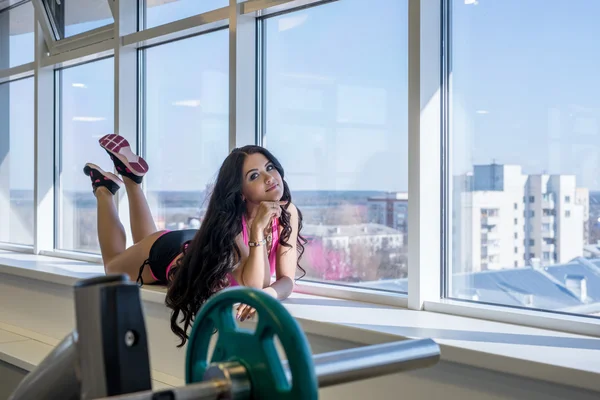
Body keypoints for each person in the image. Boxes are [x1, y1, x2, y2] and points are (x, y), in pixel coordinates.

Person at [85, 135, 306, 347]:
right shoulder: (234, 226)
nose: (269, 177)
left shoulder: (288, 213)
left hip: (191, 245)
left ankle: (132, 179)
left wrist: (269, 295)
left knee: (145, 242)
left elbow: (285, 280)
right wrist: (257, 229)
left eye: (269, 167)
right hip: (171, 255)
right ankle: (105, 190)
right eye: (254, 176)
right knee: (112, 266)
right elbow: (254, 285)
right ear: (241, 193)